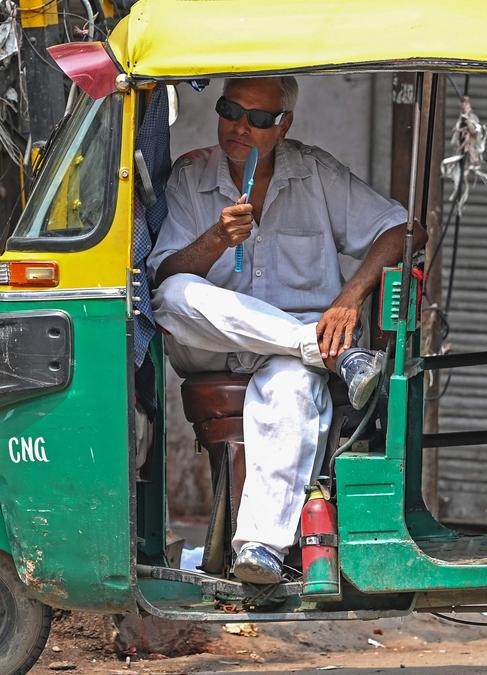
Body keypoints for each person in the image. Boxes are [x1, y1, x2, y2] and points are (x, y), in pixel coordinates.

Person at [148, 76, 424, 584]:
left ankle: (260, 548)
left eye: (259, 119)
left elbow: (404, 230)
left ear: (284, 124)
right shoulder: (192, 175)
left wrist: (350, 296)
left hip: (288, 358)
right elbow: (165, 275)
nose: (240, 127)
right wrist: (213, 240)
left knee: (294, 386)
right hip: (215, 344)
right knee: (171, 297)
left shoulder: (313, 172)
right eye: (231, 110)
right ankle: (323, 350)